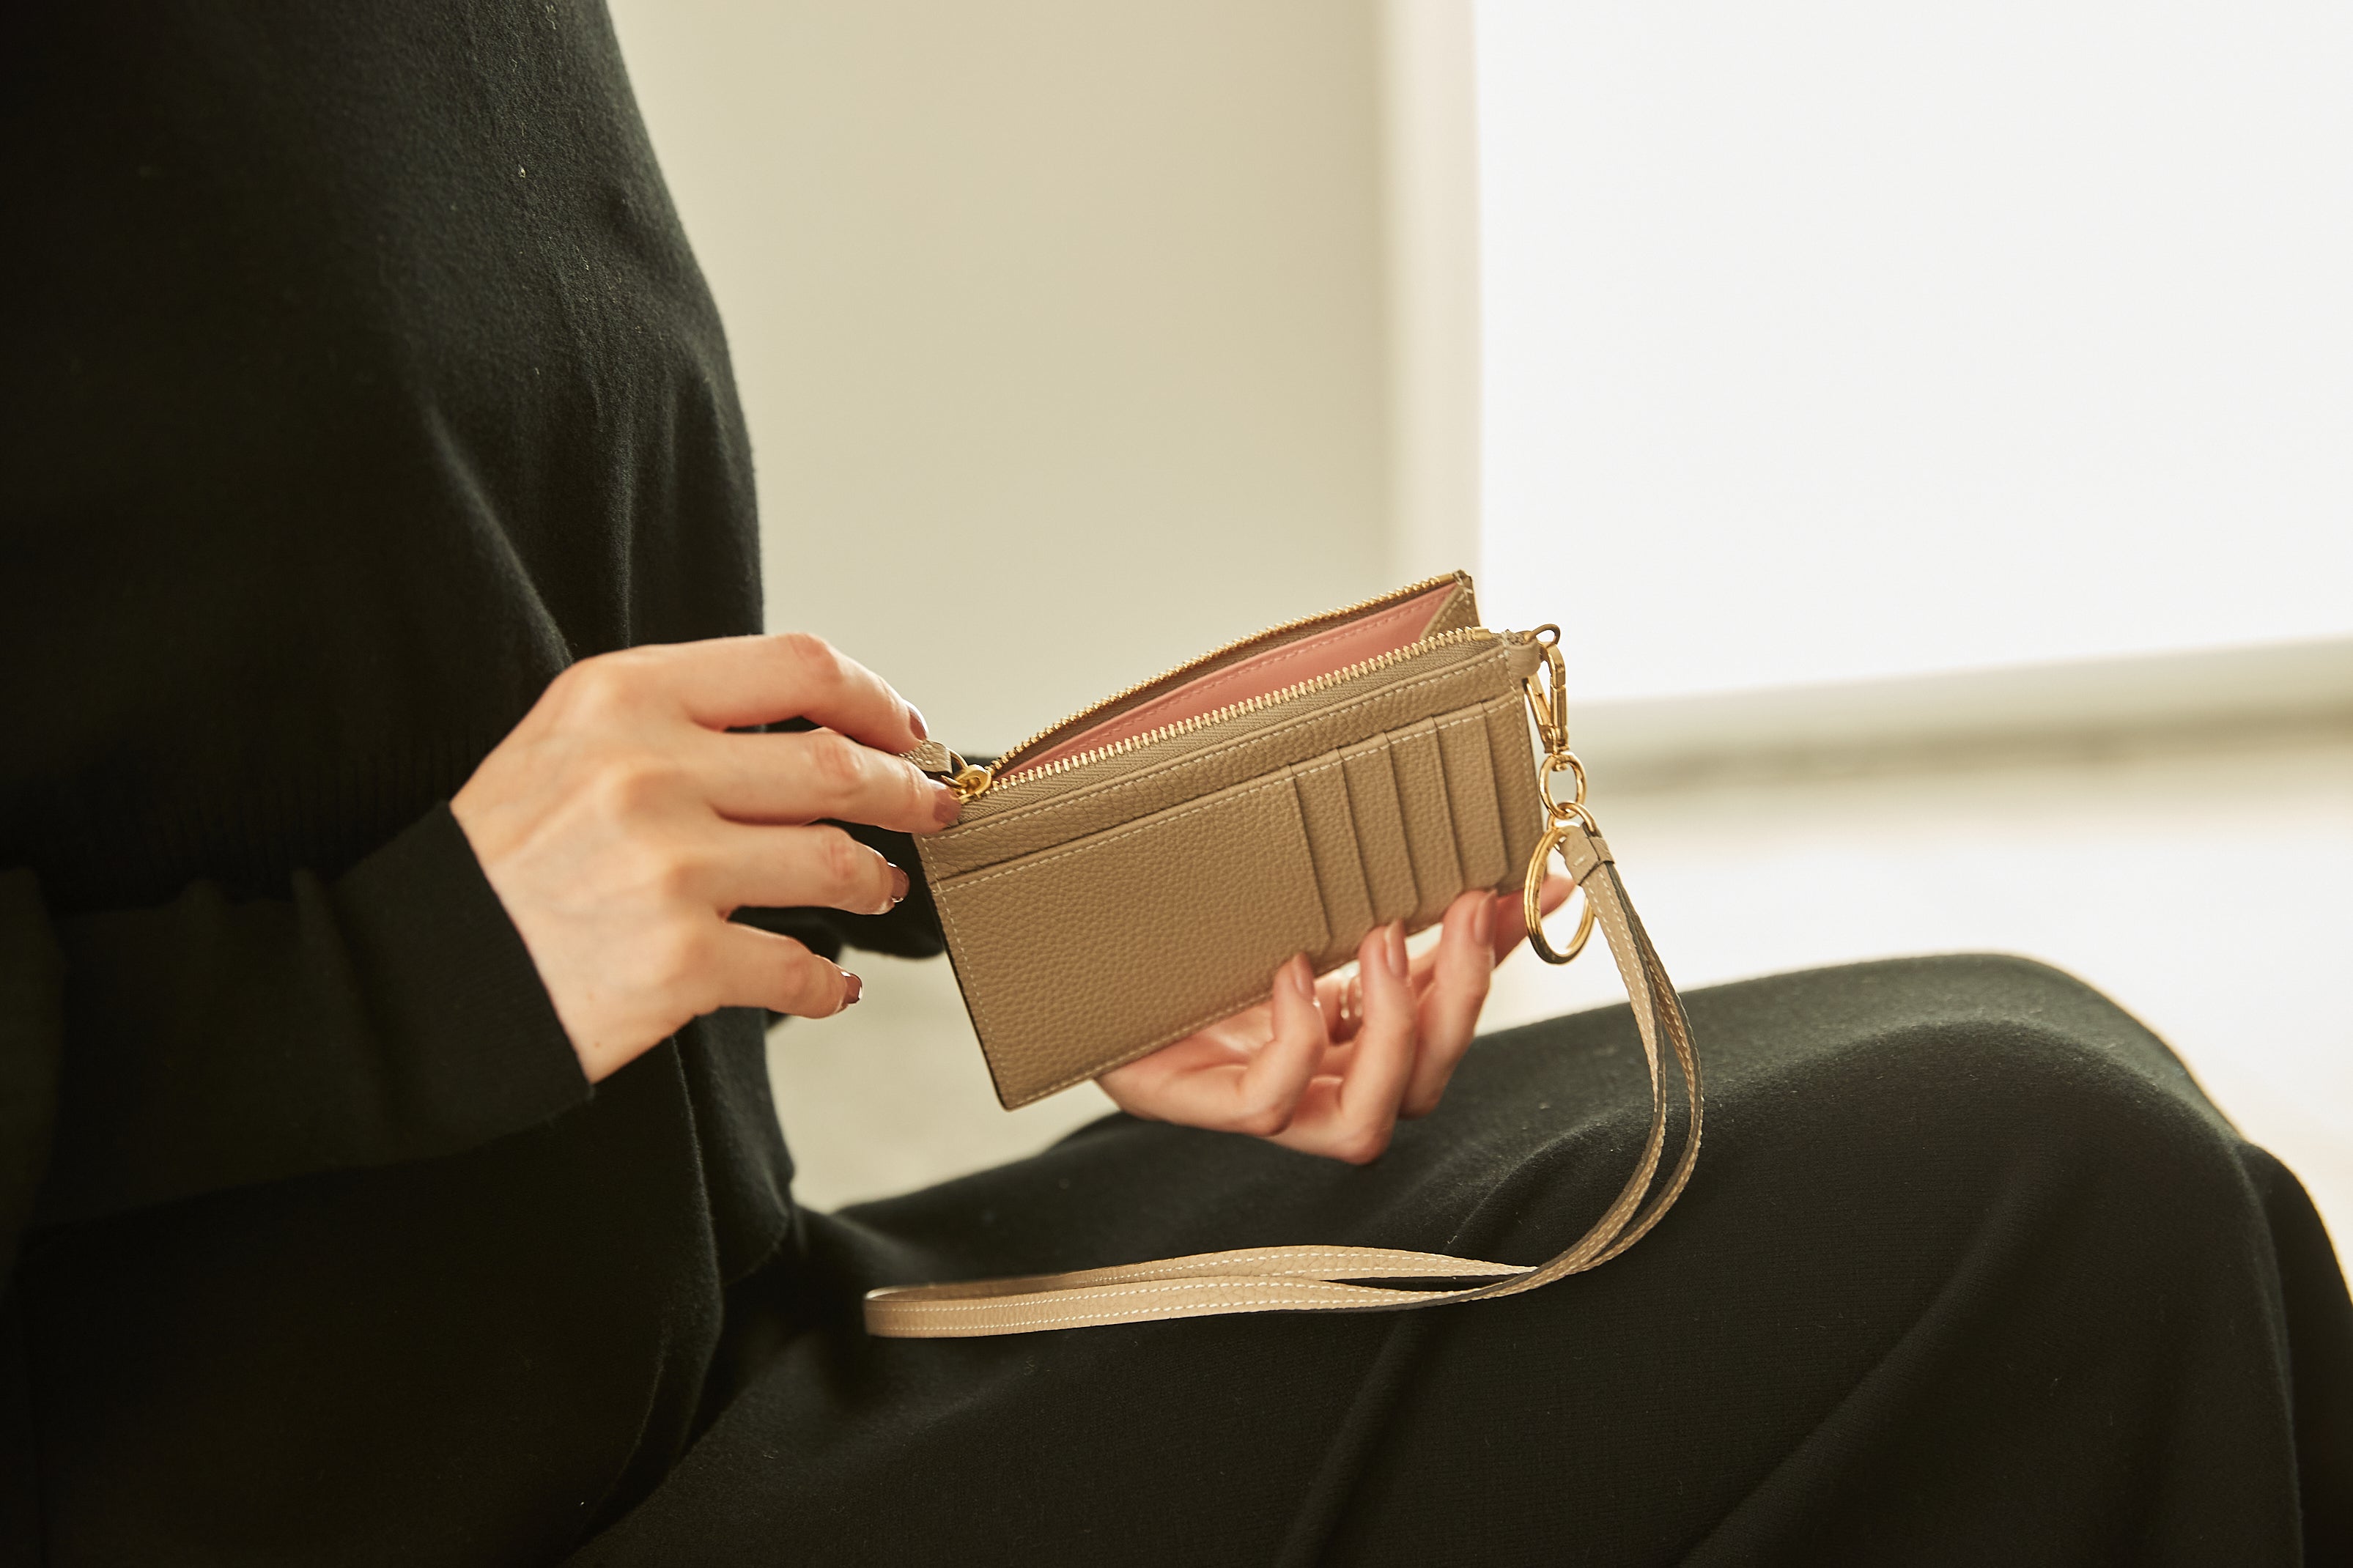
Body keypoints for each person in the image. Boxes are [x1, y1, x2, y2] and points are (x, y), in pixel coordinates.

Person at [3, 7, 2343, 1564]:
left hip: (716, 1338)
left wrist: (1033, 910)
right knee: (2060, 1212)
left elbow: (390, 708)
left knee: (2092, 1113)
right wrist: (414, 979)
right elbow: (455, 913)